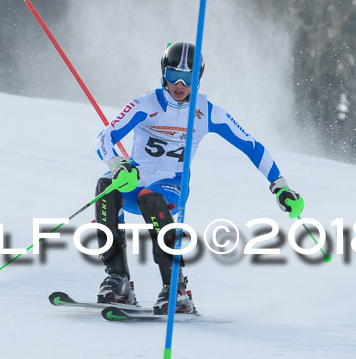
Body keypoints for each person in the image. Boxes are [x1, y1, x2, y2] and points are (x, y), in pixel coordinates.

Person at [93, 42, 304, 314]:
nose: (179, 84)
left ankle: (176, 286)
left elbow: (251, 146)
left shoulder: (207, 112)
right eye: (173, 76)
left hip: (170, 186)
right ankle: (118, 279)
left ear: (198, 80)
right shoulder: (146, 103)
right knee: (105, 187)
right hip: (135, 179)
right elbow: (104, 137)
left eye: (189, 78)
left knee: (151, 200)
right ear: (163, 74)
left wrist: (280, 186)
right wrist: (118, 165)